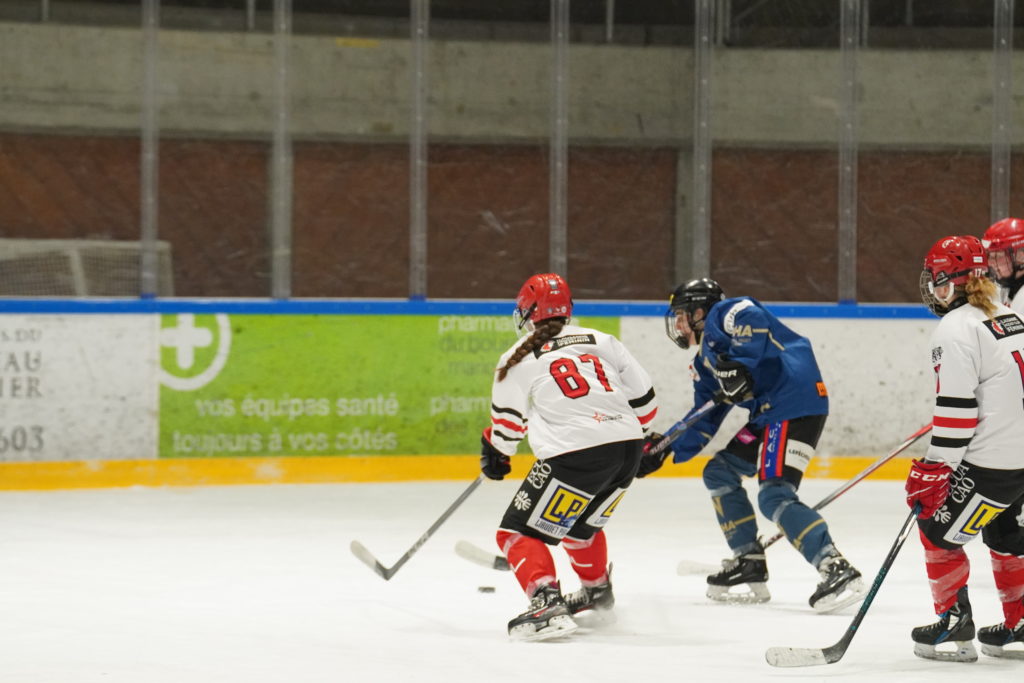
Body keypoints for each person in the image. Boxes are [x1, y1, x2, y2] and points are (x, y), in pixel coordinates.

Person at [636, 277, 865, 613]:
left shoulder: (725, 313)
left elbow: (751, 314)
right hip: (767, 415)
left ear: (700, 311)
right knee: (719, 472)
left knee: (774, 495)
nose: (679, 324)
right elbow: (704, 418)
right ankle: (749, 560)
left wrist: (740, 362)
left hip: (794, 403)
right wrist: (666, 449)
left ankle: (834, 566)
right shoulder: (704, 364)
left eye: (683, 315)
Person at [479, 272, 659, 642]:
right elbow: (647, 405)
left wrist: (497, 452)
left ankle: (546, 603)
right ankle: (597, 592)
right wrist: (615, 432)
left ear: (527, 313)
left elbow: (507, 429)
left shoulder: (517, 356)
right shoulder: (602, 340)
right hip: (627, 447)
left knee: (516, 532)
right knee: (579, 526)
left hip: (576, 452)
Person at [906, 235, 1024, 662]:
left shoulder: (955, 327)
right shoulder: (1009, 315)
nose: (932, 288)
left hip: (994, 462)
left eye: (936, 279)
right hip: (1020, 460)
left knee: (935, 529)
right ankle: (1020, 623)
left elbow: (957, 412)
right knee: (1004, 529)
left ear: (948, 282)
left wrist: (935, 468)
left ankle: (954, 622)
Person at [982, 217, 1024, 314]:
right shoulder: (1003, 289)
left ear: (1021, 257)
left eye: (998, 256)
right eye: (990, 256)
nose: (990, 262)